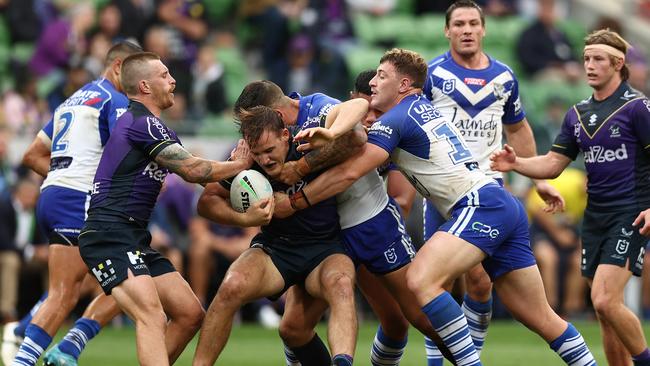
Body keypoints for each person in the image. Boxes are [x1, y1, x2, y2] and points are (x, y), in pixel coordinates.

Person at [285, 48, 596, 366]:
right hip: (501, 203)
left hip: (480, 205)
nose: (374, 82)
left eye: (382, 75)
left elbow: (350, 171)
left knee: (420, 279)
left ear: (404, 84)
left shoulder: (396, 120)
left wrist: (296, 191)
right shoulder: (419, 108)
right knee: (541, 318)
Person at [75, 51, 252, 366]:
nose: (173, 82)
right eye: (165, 76)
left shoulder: (150, 126)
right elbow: (195, 171)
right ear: (144, 86)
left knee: (188, 314)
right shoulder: (141, 123)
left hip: (132, 237)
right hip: (110, 235)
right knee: (153, 316)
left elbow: (201, 179)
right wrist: (238, 165)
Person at [491, 28, 650, 366]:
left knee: (605, 300)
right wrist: (515, 162)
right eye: (587, 59)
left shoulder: (638, 108)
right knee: (605, 311)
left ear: (618, 63)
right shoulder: (577, 114)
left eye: (598, 59)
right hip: (595, 218)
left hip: (631, 213)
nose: (589, 65)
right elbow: (552, 164)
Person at [420, 1, 564, 363]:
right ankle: (439, 360)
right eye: (459, 24)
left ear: (483, 29)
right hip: (442, 193)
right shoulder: (432, 76)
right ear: (447, 31)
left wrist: (535, 179)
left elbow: (518, 130)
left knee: (481, 282)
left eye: (472, 23)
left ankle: (472, 355)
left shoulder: (504, 78)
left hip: (488, 191)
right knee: (436, 283)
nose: (466, 30)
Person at [192, 106, 360, 366]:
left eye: (270, 151)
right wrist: (244, 218)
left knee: (341, 285)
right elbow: (206, 203)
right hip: (275, 251)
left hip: (324, 249)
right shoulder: (245, 161)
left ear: (285, 135)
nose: (265, 160)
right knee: (231, 286)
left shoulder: (307, 141)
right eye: (258, 154)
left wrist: (306, 163)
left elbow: (357, 135)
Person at [9, 41, 144, 366]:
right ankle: (26, 347)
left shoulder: (75, 98)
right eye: (136, 72)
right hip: (78, 200)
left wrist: (63, 174)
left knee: (108, 277)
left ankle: (47, 337)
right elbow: (125, 156)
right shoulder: (116, 101)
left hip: (53, 194)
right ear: (118, 66)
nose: (141, 82)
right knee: (84, 287)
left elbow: (32, 155)